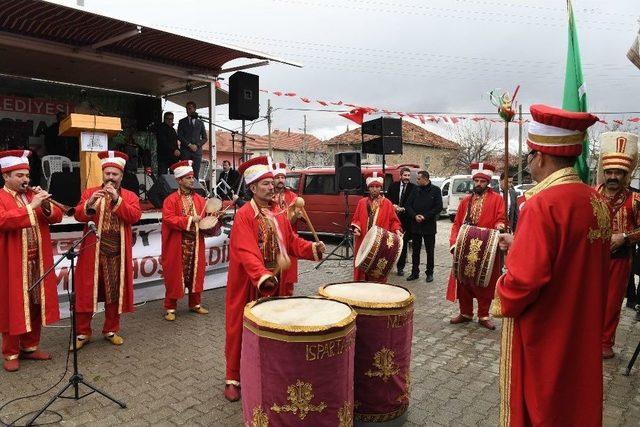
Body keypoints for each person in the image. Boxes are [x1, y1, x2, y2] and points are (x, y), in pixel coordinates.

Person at [491, 104, 605, 426]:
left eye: (529, 157)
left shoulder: (542, 204)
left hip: (548, 328)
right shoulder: (592, 198)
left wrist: (502, 291)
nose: (529, 165)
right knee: (576, 399)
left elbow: (524, 282)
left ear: (540, 157)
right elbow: (572, 254)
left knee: (542, 406)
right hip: (580, 324)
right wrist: (521, 245)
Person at [224, 155, 326, 402]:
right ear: (252, 188)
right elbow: (245, 250)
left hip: (273, 281)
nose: (272, 187)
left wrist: (313, 248)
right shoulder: (245, 215)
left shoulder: (278, 213)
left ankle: (268, 372)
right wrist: (262, 276)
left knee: (272, 330)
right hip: (250, 282)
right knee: (239, 329)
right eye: (265, 184)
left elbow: (291, 242)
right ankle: (233, 378)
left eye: (272, 182)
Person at [0, 150, 62, 372]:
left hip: (38, 260)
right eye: (19, 176)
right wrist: (31, 206)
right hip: (13, 263)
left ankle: (29, 346)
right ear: (6, 176)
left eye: (26, 175)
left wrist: (45, 204)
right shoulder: (1, 197)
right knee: (13, 306)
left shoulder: (31, 196)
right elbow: (3, 221)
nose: (25, 180)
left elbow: (56, 217)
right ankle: (10, 352)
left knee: (36, 304)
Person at [73, 151, 142, 349]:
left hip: (117, 254)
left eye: (115, 174)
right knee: (86, 292)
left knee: (114, 294)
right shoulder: (89, 192)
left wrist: (116, 200)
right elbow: (78, 215)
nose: (111, 177)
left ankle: (111, 329)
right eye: (108, 174)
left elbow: (134, 216)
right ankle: (82, 333)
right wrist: (90, 202)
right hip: (92, 253)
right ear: (103, 174)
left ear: (121, 176)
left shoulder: (129, 196)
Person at [595, 131, 640, 359]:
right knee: (589, 301)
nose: (613, 176)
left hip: (620, 259)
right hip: (590, 259)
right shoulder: (590, 195)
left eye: (618, 173)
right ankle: (586, 339)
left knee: (612, 302)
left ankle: (605, 342)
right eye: (609, 172)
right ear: (604, 173)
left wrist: (624, 236)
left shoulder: (636, 199)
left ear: (626, 175)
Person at [447, 162, 505, 330]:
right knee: (463, 281)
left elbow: (501, 218)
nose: (479, 184)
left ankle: (483, 315)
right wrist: (454, 244)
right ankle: (465, 313)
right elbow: (457, 224)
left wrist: (501, 225)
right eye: (476, 181)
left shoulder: (497, 199)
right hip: (466, 248)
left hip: (487, 248)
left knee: (485, 282)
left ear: (488, 183)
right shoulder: (466, 201)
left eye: (482, 181)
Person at [161, 160, 221, 322]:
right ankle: (170, 307)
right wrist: (189, 219)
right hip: (177, 244)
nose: (191, 180)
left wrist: (213, 218)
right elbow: (168, 219)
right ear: (179, 180)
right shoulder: (170, 200)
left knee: (197, 274)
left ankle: (195, 304)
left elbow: (206, 219)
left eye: (192, 177)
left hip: (196, 243)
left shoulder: (200, 199)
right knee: (174, 276)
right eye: (187, 178)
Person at [350, 171, 403, 282]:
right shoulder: (362, 202)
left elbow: (393, 221)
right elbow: (356, 219)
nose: (374, 189)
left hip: (380, 242)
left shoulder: (387, 203)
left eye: (377, 187)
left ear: (381, 188)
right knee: (361, 270)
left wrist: (397, 230)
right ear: (368, 188)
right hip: (363, 239)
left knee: (377, 270)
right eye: (372, 187)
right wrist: (356, 228)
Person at [270, 162, 302, 296]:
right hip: (271, 240)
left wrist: (298, 215)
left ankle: (287, 297)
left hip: (289, 240)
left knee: (288, 274)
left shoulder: (293, 197)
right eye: (277, 177)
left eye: (282, 177)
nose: (280, 180)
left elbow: (297, 218)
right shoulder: (267, 196)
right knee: (272, 271)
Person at [405, 170, 442, 282]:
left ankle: (429, 273)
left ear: (425, 179)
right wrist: (415, 215)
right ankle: (414, 272)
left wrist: (425, 216)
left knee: (429, 251)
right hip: (416, 225)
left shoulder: (435, 190)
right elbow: (408, 205)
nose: (417, 180)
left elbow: (438, 207)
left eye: (418, 179)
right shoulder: (415, 189)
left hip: (429, 226)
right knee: (415, 251)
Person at [387, 167, 415, 276]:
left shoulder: (413, 188)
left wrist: (404, 209)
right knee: (391, 243)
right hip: (393, 218)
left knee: (403, 244)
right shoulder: (393, 185)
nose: (407, 178)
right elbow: (388, 199)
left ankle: (400, 267)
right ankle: (388, 265)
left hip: (406, 220)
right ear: (400, 176)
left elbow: (414, 203)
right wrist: (393, 206)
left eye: (408, 176)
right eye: (405, 175)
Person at [177, 101, 207, 179]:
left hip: (197, 152)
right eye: (186, 109)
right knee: (185, 173)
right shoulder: (182, 122)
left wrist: (197, 145)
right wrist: (189, 145)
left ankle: (194, 190)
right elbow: (179, 136)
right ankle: (184, 191)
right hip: (185, 151)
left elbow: (205, 138)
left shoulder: (200, 122)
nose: (187, 110)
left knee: (195, 174)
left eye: (189, 108)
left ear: (194, 109)